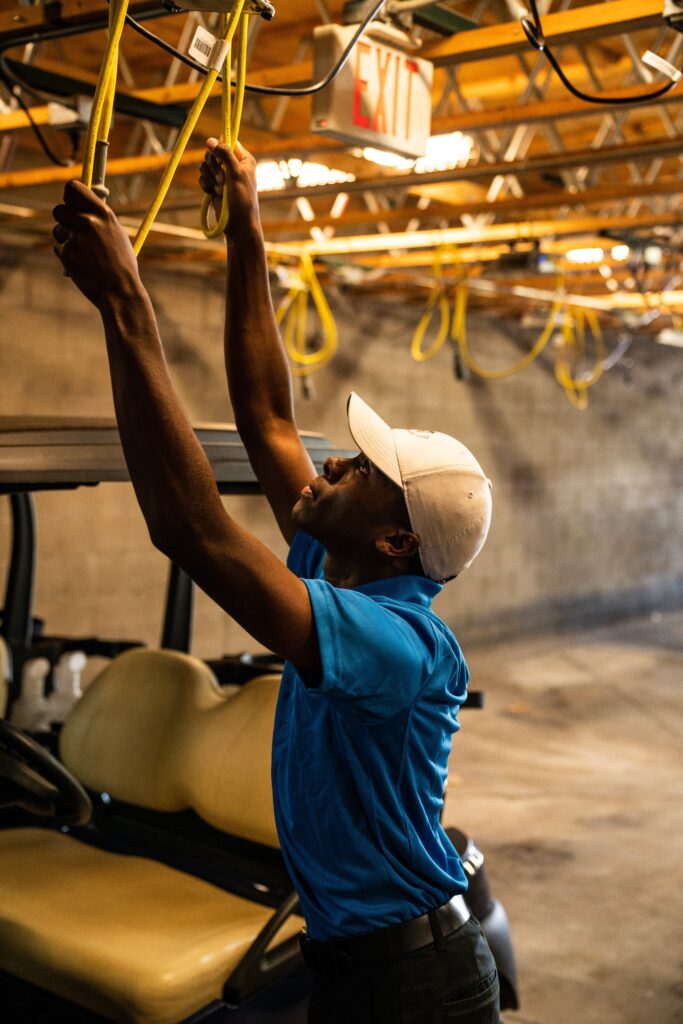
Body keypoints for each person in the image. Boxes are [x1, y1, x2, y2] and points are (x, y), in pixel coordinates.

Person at [52, 137, 499, 1024]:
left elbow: (191, 529)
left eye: (360, 471)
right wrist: (248, 225)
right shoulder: (335, 569)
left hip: (413, 986)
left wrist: (126, 304)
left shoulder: (398, 642)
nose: (333, 462)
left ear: (396, 537)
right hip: (357, 965)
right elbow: (264, 413)